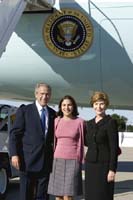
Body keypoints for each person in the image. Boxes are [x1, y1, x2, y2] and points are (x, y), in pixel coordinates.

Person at [9, 83, 56, 200]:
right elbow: (14, 134)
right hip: (27, 161)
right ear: (36, 94)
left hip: (45, 162)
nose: (45, 97)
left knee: (43, 196)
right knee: (26, 195)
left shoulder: (52, 113)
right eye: (42, 94)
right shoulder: (25, 111)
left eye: (47, 94)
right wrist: (14, 154)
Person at [48, 95, 85, 200]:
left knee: (68, 195)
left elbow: (82, 142)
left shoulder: (80, 122)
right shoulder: (56, 120)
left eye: (69, 105)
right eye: (64, 105)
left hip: (73, 161)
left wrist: (80, 160)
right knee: (58, 194)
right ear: (60, 107)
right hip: (57, 160)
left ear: (73, 107)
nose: (66, 107)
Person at [84, 91, 119, 200]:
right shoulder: (89, 124)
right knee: (90, 195)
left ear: (106, 105)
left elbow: (114, 148)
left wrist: (112, 170)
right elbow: (86, 142)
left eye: (101, 103)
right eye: (96, 103)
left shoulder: (110, 122)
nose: (98, 107)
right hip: (90, 166)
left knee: (103, 195)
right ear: (92, 105)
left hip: (104, 167)